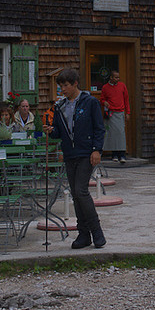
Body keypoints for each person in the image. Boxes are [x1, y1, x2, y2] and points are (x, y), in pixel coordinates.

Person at [43, 68, 106, 249]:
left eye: (66, 85)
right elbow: (58, 132)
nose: (63, 89)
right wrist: (51, 130)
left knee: (81, 191)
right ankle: (83, 234)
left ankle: (97, 231)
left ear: (75, 84)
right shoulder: (60, 106)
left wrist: (97, 150)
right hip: (69, 154)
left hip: (86, 152)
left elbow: (99, 128)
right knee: (76, 195)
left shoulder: (90, 102)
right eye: (61, 86)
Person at [100, 70, 130, 164]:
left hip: (120, 112)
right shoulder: (105, 87)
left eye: (118, 77)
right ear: (111, 78)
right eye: (116, 77)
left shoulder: (122, 86)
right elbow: (102, 99)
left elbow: (126, 99)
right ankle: (114, 154)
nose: (118, 79)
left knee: (120, 133)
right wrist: (104, 102)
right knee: (111, 134)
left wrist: (127, 112)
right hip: (110, 113)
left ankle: (122, 154)